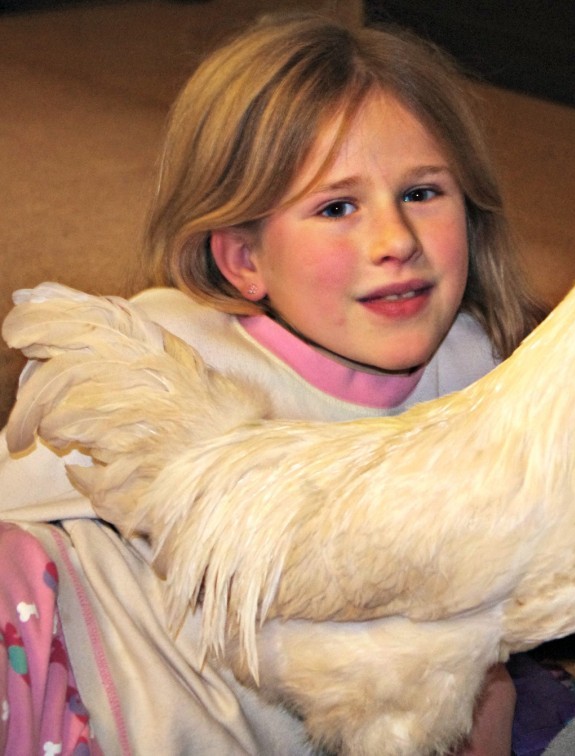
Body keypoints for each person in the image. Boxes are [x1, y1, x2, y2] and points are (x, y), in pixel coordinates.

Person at [0, 12, 547, 754]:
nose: (395, 242)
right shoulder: (177, 349)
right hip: (69, 636)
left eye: (422, 193)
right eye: (337, 207)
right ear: (243, 259)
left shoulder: (490, 386)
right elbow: (25, 488)